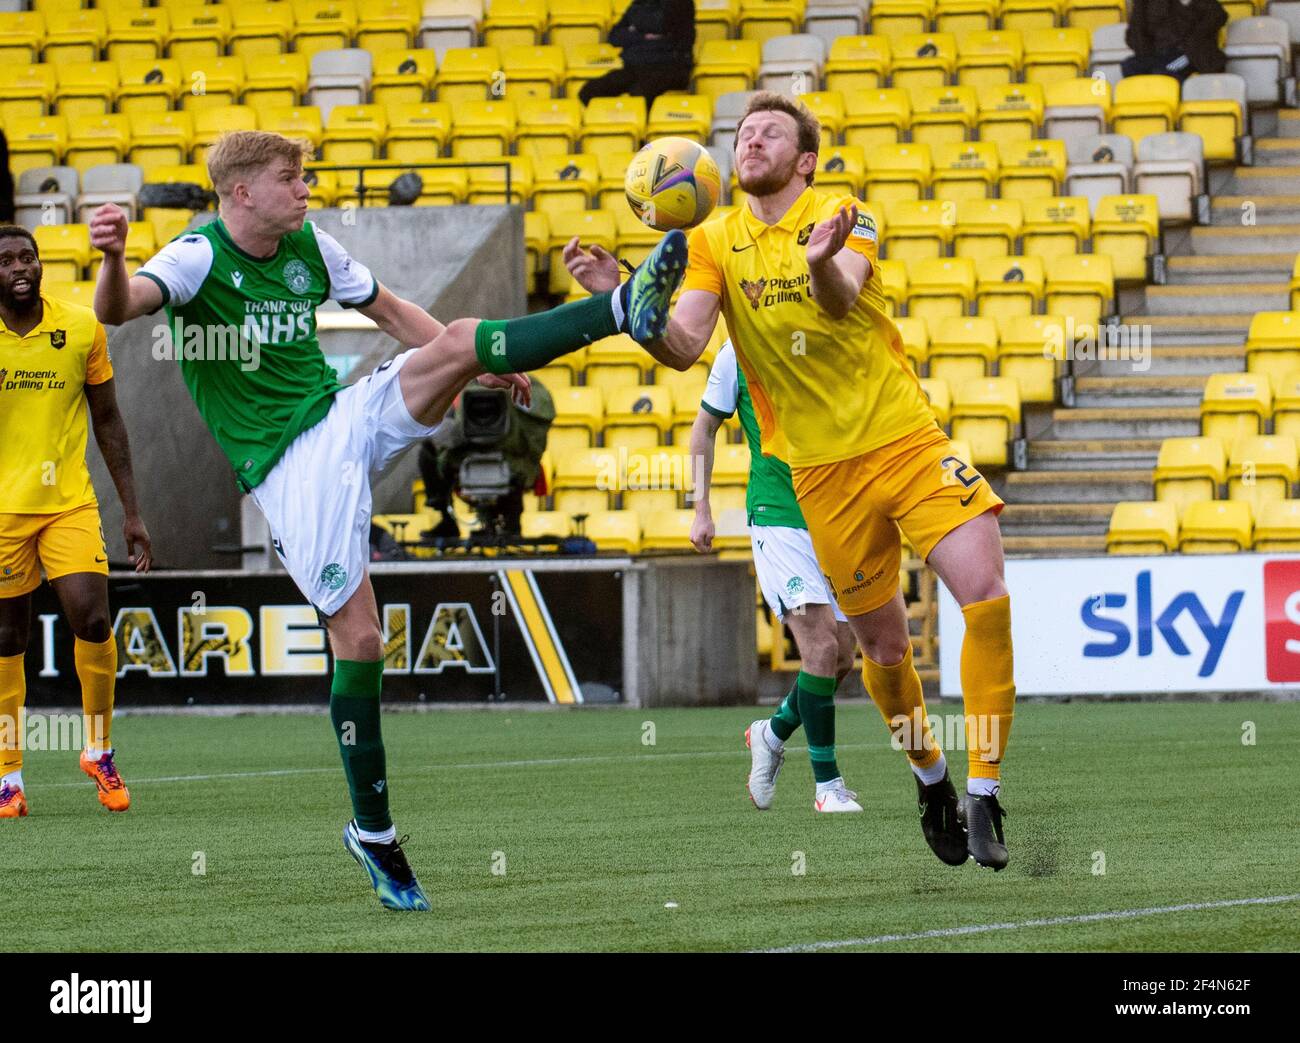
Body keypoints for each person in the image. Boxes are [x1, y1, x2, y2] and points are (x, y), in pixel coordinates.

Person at [90, 130, 688, 909]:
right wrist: (109, 256)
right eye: (288, 178)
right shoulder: (198, 255)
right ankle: (372, 831)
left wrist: (474, 358)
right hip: (288, 466)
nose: (305, 189)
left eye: (303, 176)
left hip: (340, 414)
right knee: (362, 641)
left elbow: (391, 307)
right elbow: (122, 307)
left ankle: (620, 307)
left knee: (467, 335)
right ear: (240, 192)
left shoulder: (309, 243)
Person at [567, 92, 1016, 871]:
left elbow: (842, 296)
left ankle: (983, 788)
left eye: (770, 131)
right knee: (879, 647)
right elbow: (683, 346)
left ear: (804, 159)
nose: (751, 139)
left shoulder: (848, 214)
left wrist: (816, 263)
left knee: (985, 592)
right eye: (743, 132)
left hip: (905, 439)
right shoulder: (711, 240)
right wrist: (627, 305)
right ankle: (931, 777)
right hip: (819, 472)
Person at [0, 225, 153, 820]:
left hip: (67, 502)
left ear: (41, 265)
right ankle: (9, 776)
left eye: (28, 257)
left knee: (91, 617)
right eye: (7, 259)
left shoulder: (81, 327)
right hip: (4, 512)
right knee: (7, 639)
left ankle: (99, 750)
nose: (20, 266)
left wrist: (133, 513)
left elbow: (109, 419)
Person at [688, 340, 860, 814]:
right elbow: (703, 429)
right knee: (820, 648)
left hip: (833, 517)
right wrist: (701, 508)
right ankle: (828, 788)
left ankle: (771, 733)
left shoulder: (822, 335)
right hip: (778, 518)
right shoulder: (735, 354)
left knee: (843, 657)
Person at [418, 377, 555, 540]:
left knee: (518, 470)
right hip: (467, 454)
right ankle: (447, 519)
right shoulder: (461, 389)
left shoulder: (524, 386)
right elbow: (442, 431)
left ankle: (511, 524)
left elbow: (535, 431)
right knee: (427, 450)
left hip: (510, 457)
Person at [578, 0, 696, 107]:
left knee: (640, 93)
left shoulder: (680, 3)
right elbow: (614, 37)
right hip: (636, 66)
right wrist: (644, 36)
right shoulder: (639, 4)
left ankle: (643, 128)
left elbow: (675, 36)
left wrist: (634, 30)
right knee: (590, 91)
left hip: (670, 67)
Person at [1122, 0, 1227, 81]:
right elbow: (1135, 31)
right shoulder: (1143, 3)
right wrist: (1146, 52)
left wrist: (1192, 40)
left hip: (1188, 52)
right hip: (1157, 53)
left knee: (1164, 71)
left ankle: (1177, 102)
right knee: (1130, 66)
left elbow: (1219, 15)